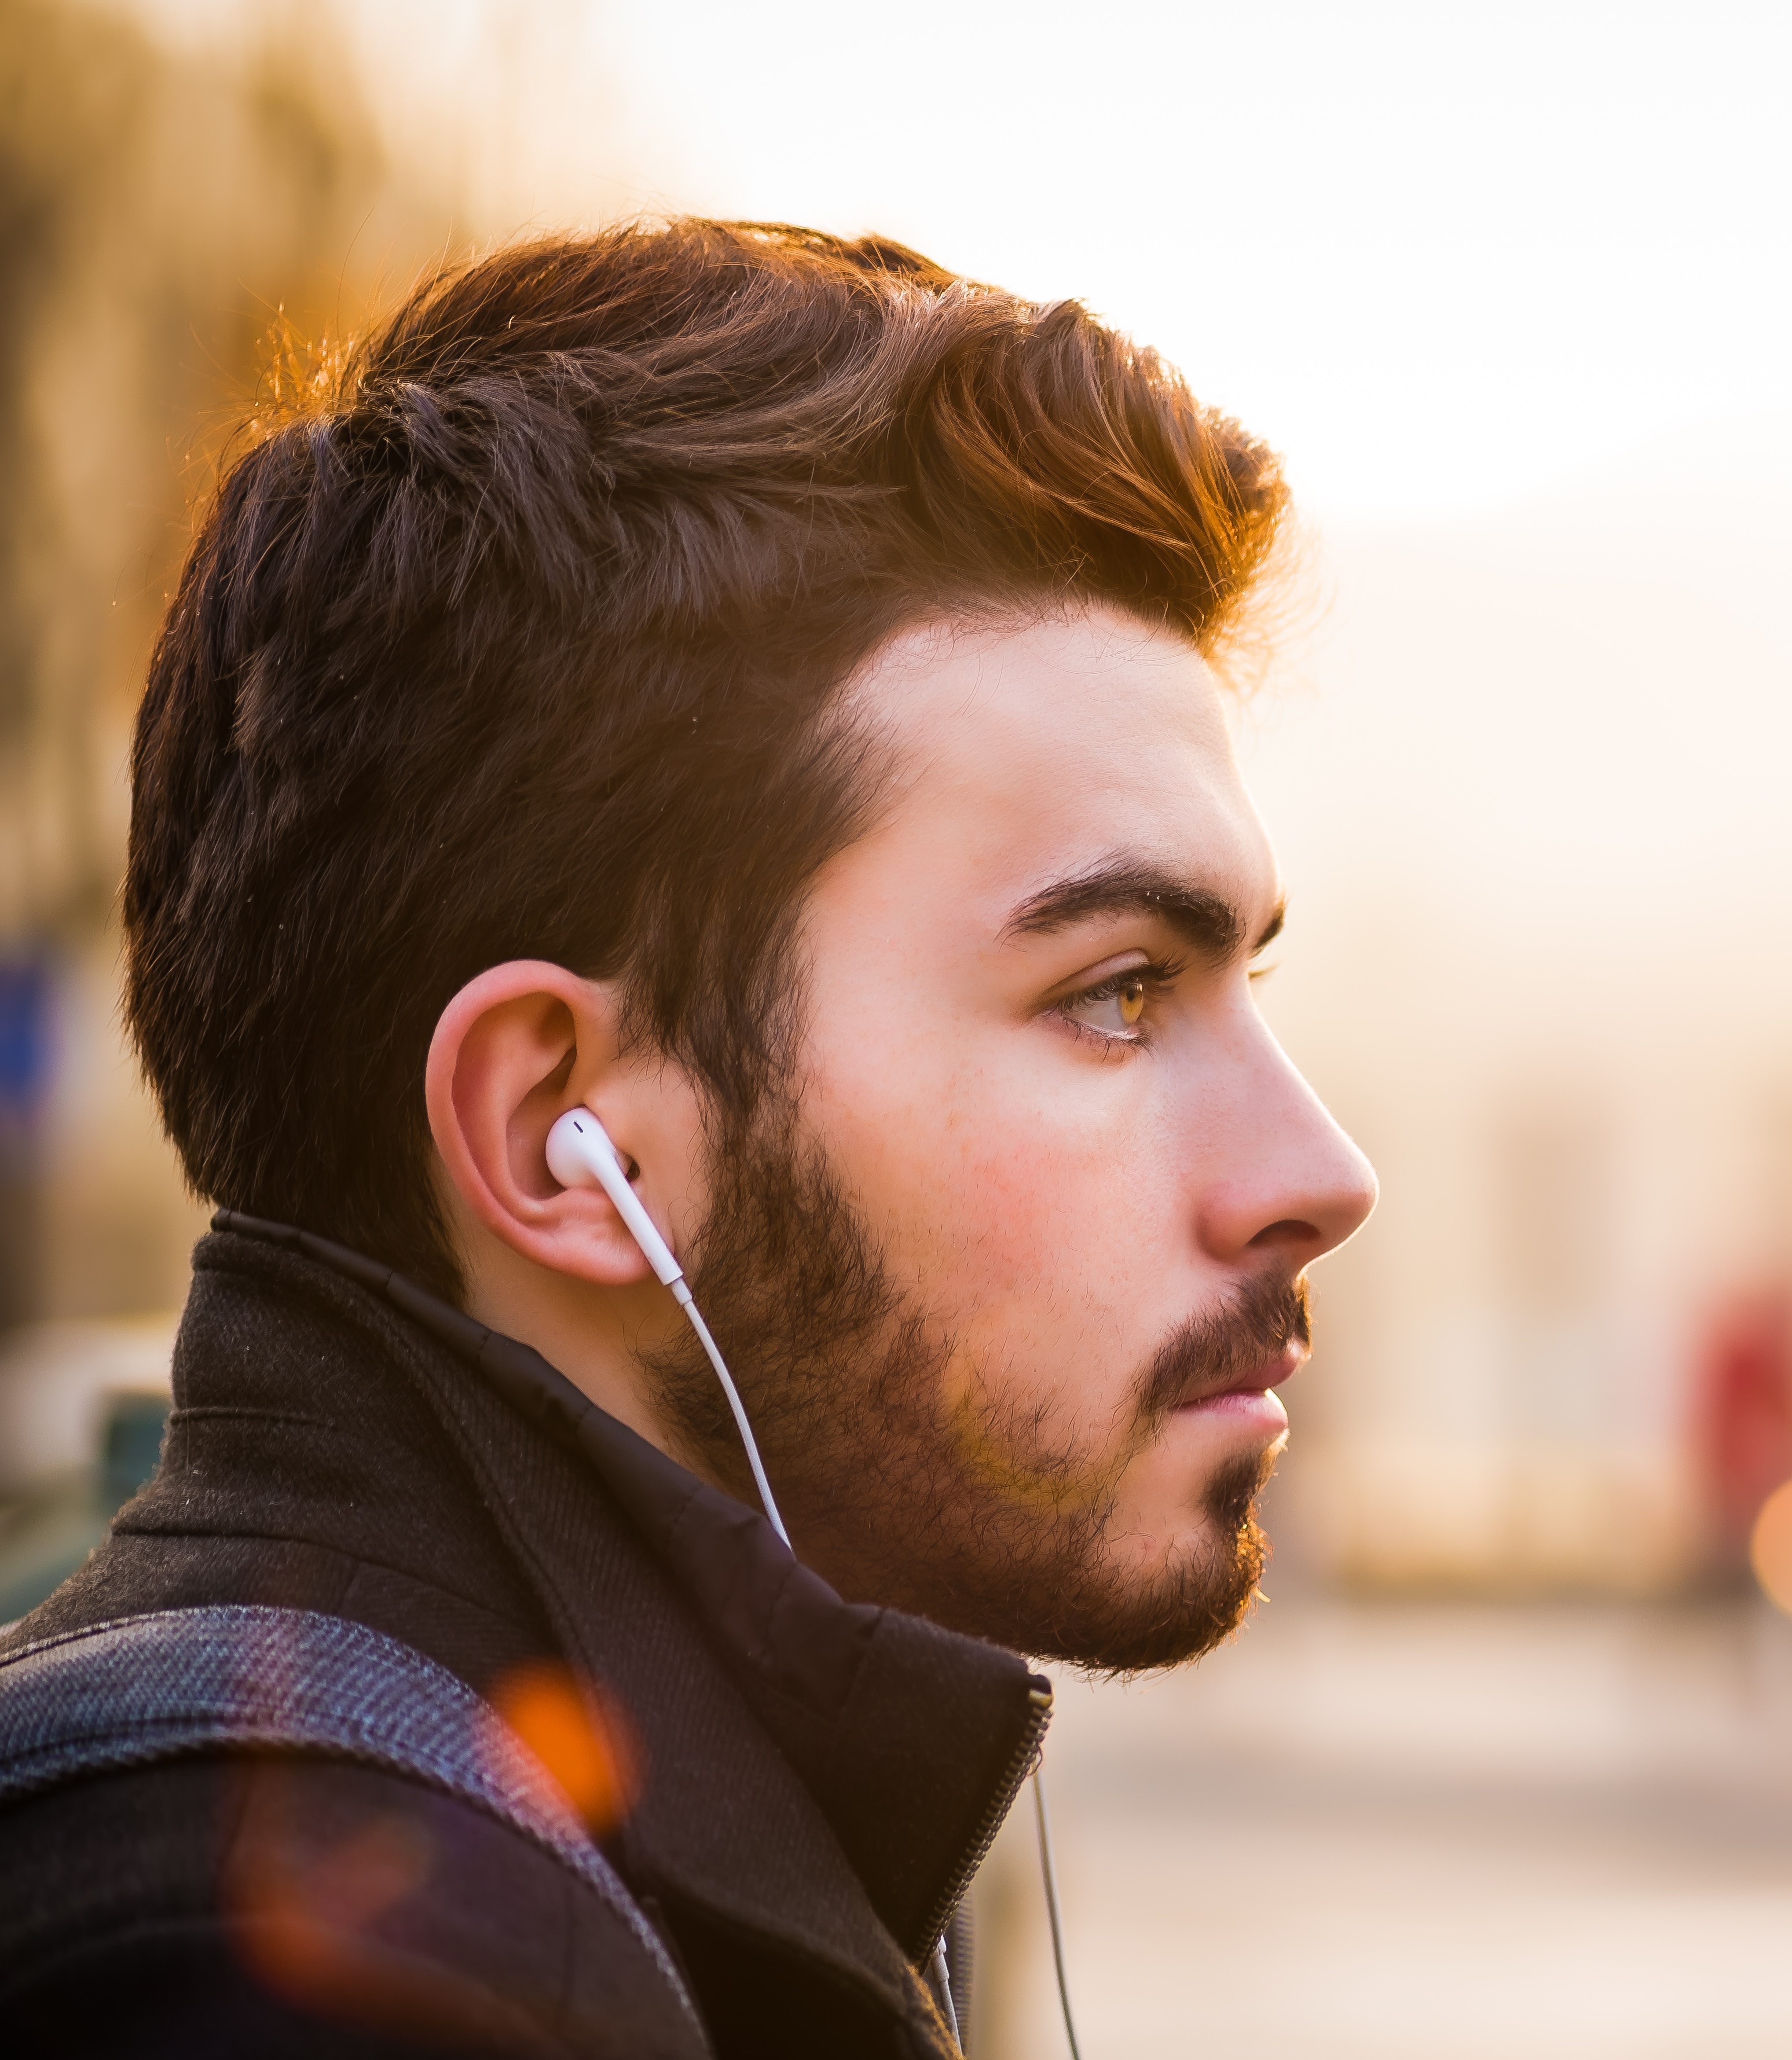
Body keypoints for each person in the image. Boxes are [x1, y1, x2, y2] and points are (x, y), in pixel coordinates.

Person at [0, 219, 1377, 2057]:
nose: (1316, 1170)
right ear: (563, 1128)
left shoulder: (538, 1862)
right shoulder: (325, 1970)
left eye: (1244, 983)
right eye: (1114, 991)